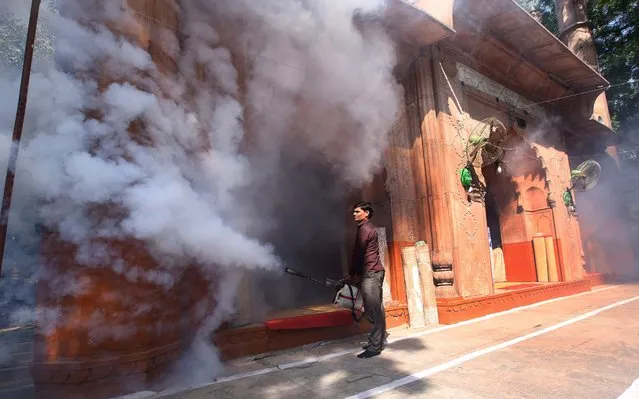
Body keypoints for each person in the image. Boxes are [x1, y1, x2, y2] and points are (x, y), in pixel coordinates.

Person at [345, 201, 386, 358]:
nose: (354, 214)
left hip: (371, 273)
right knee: (378, 310)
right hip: (375, 272)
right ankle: (377, 342)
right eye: (354, 212)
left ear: (366, 213)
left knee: (373, 310)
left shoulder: (364, 229)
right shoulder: (368, 228)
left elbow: (359, 253)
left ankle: (375, 347)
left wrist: (351, 272)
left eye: (357, 211)